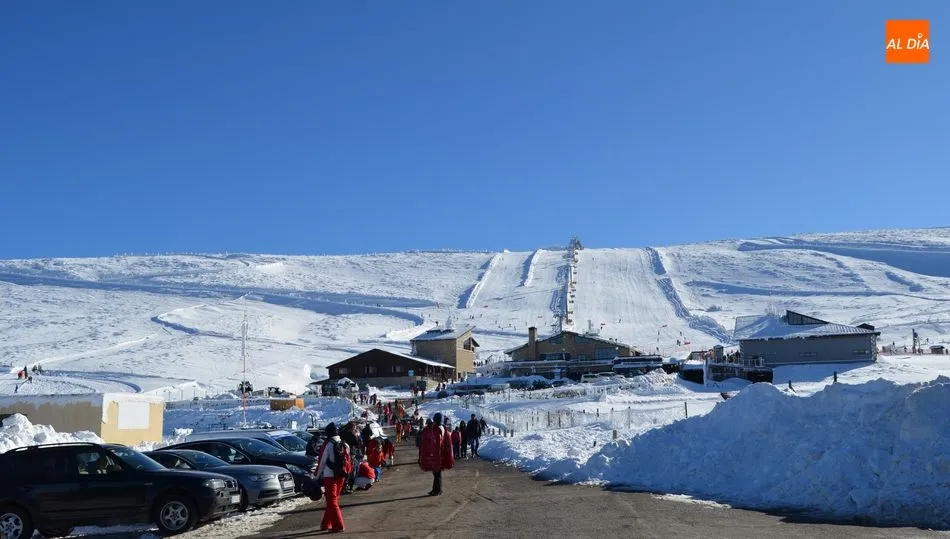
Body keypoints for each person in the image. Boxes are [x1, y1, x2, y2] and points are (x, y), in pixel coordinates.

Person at [313, 423, 350, 533]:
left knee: (332, 501)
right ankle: (326, 524)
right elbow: (348, 461)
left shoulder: (328, 444)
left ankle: (338, 525)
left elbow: (322, 462)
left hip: (330, 476)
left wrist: (316, 476)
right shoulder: (345, 444)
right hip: (341, 476)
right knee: (333, 500)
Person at [418, 412, 454, 496]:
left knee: (437, 473)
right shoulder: (440, 428)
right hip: (438, 454)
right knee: (436, 473)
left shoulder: (439, 429)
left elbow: (438, 443)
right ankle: (435, 489)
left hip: (439, 454)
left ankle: (438, 490)